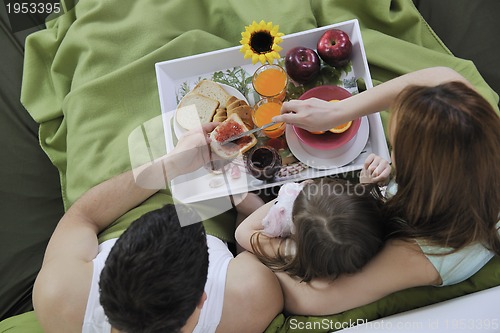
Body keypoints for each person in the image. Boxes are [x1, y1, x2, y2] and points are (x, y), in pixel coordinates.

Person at [237, 66, 500, 316]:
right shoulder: (478, 131)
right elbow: (440, 76)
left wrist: (279, 234)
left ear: (420, 183)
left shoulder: (427, 253)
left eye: (395, 148)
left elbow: (315, 298)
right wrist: (339, 112)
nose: (392, 155)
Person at [32, 123, 283, 333]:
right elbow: (248, 238)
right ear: (201, 299)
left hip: (121, 191)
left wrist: (171, 164)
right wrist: (245, 207)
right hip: (218, 200)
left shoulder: (57, 296)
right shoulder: (252, 299)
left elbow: (83, 215)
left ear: (106, 280)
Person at [235, 177, 387, 283]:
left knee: (242, 203)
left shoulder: (293, 252)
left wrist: (288, 197)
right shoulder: (360, 239)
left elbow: (242, 232)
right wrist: (365, 184)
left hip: (255, 267)